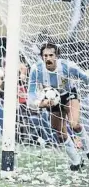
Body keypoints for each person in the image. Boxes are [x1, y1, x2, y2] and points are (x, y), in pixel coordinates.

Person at [28, 42, 89, 171]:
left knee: (74, 123)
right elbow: (31, 93)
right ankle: (77, 161)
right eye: (45, 56)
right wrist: (40, 103)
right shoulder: (36, 69)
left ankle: (88, 149)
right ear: (41, 57)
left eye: (51, 55)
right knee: (60, 134)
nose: (48, 58)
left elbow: (84, 77)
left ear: (56, 56)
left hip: (69, 94)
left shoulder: (67, 66)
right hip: (52, 99)